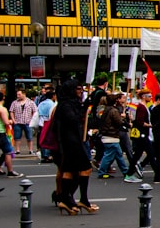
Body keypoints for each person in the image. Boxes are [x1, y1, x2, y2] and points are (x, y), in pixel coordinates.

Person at [51, 79, 96, 215]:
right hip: (70, 142)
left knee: (69, 171)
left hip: (71, 141)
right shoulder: (65, 105)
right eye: (78, 89)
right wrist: (84, 108)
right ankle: (81, 199)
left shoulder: (69, 103)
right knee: (85, 168)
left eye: (81, 89)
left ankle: (66, 199)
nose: (80, 91)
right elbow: (73, 119)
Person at [94, 92, 127, 179]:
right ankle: (125, 172)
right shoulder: (114, 111)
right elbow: (119, 122)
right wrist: (123, 119)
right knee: (109, 156)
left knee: (117, 155)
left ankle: (125, 171)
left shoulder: (106, 109)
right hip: (111, 136)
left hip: (107, 135)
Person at [8, 89, 37, 157]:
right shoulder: (14, 102)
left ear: (24, 94)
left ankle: (30, 150)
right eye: (17, 94)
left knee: (29, 137)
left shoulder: (30, 102)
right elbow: (11, 111)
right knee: (17, 137)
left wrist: (32, 119)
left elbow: (35, 111)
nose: (18, 96)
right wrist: (13, 120)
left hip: (28, 122)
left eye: (19, 94)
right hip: (18, 122)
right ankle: (17, 150)